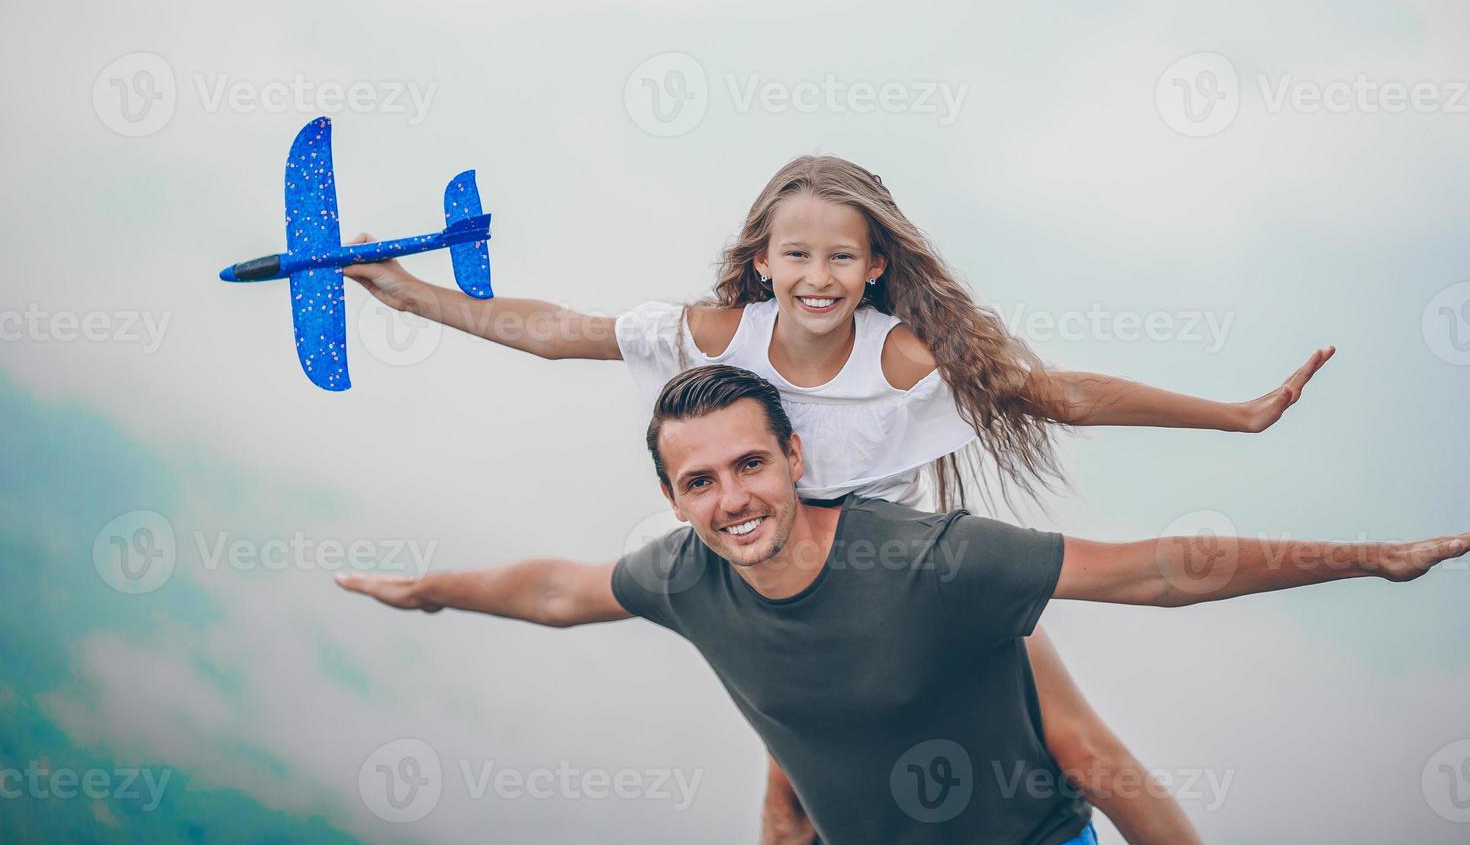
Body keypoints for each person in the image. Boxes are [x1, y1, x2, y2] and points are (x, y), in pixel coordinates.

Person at [342, 155, 1335, 843]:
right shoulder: (714, 333)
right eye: (798, 254)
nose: (818, 276)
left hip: (917, 586)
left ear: (874, 269)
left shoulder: (899, 355)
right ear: (763, 258)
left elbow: (1061, 394)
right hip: (790, 595)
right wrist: (412, 294)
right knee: (788, 813)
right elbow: (559, 329)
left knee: (1079, 745)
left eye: (841, 257)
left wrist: (1234, 416)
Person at [336, 365, 1465, 844]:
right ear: (671, 497)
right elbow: (552, 588)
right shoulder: (682, 578)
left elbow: (1156, 570)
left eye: (750, 464)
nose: (732, 499)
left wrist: (1370, 558)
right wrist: (426, 591)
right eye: (699, 480)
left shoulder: (929, 559)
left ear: (793, 454)